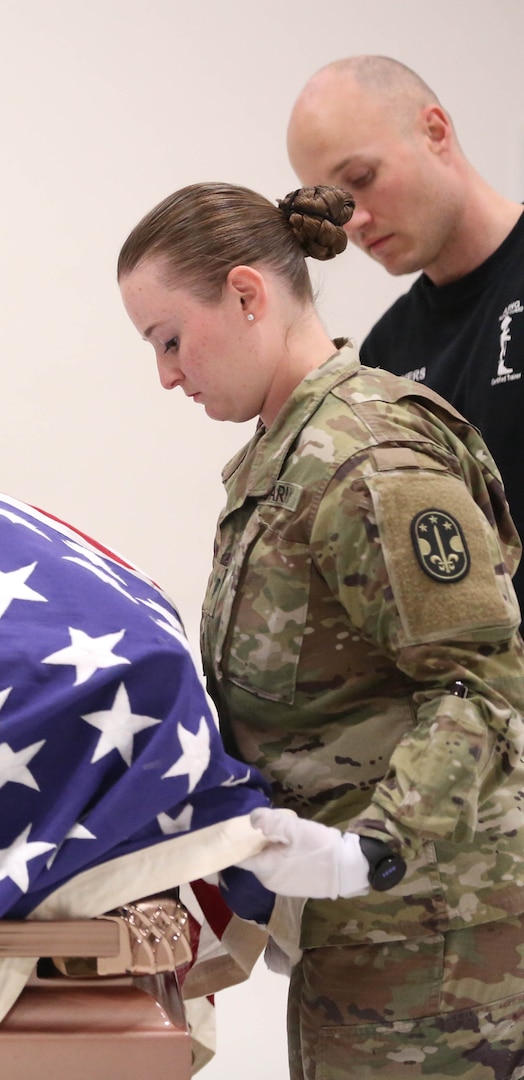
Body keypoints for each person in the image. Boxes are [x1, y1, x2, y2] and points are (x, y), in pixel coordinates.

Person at [117, 182, 524, 1079]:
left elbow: (483, 684)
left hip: (437, 941)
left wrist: (370, 850)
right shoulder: (289, 452)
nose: (168, 376)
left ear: (248, 294)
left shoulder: (368, 458)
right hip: (371, 931)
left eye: (171, 340)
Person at [287, 56, 524, 597]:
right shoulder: (386, 352)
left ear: (435, 131)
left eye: (362, 179)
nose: (357, 220)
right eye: (333, 205)